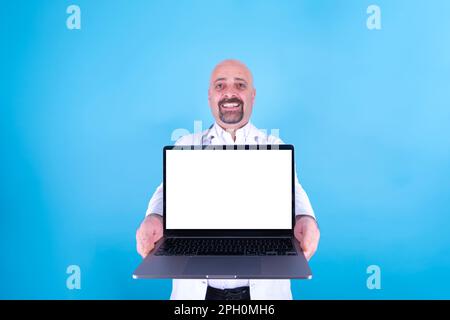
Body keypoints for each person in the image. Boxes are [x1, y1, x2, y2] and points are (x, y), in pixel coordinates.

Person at [136, 59, 320, 300]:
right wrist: (154, 217)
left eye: (240, 85)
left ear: (252, 96)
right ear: (210, 96)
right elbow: (166, 192)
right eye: (220, 86)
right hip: (196, 296)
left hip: (264, 297)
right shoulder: (186, 145)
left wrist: (306, 218)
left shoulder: (274, 146)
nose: (230, 92)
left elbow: (293, 193)